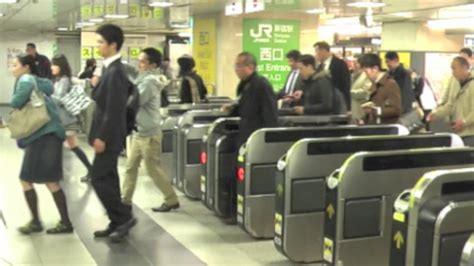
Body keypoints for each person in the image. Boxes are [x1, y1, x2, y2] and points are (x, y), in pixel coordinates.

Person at [11, 54, 73, 234]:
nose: (13, 68)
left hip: (42, 136)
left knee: (30, 179)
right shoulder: (40, 81)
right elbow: (50, 90)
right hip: (50, 134)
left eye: (15, 65)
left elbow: (16, 102)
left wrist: (21, 89)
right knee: (49, 180)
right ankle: (62, 222)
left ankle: (40, 222)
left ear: (26, 67)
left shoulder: (25, 80)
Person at [88, 24, 136, 243]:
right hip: (108, 133)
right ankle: (117, 221)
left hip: (109, 136)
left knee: (97, 177)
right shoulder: (108, 69)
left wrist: (103, 137)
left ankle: (124, 217)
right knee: (109, 177)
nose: (97, 46)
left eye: (100, 42)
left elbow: (114, 109)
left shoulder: (116, 72)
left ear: (113, 45)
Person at [121, 48, 180, 212]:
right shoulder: (143, 80)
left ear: (152, 65)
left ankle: (171, 199)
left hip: (149, 133)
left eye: (142, 61)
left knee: (152, 168)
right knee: (130, 167)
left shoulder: (149, 82)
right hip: (140, 131)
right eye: (138, 61)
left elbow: (135, 102)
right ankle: (125, 200)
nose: (139, 64)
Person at [50, 54, 93, 182]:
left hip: (65, 121)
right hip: (64, 119)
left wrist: (47, 96)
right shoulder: (60, 79)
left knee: (66, 146)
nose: (52, 67)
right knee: (70, 146)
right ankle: (90, 170)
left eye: (54, 65)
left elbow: (59, 99)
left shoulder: (64, 80)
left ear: (60, 66)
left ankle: (90, 170)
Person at [226, 52, 278, 147]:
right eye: (236, 66)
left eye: (239, 66)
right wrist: (233, 108)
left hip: (256, 135)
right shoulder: (244, 84)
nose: (236, 70)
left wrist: (269, 138)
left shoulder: (261, 84)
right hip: (245, 132)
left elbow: (270, 113)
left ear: (250, 67)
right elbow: (243, 105)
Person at [429, 57, 474, 139]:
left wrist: (464, 122)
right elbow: (450, 105)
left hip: (470, 134)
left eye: (454, 68)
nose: (452, 72)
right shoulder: (454, 82)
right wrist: (436, 114)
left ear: (464, 68)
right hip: (457, 133)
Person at [360, 53, 402, 124]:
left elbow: (396, 109)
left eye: (366, 71)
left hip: (386, 128)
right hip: (374, 126)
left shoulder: (390, 84)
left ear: (375, 69)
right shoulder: (374, 84)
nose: (365, 75)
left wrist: (375, 111)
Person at [313, 41, 351, 108]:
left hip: (337, 102)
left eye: (316, 51)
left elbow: (346, 85)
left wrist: (347, 105)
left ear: (323, 51)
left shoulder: (339, 64)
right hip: (322, 103)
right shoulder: (318, 66)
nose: (315, 54)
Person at [350, 55, 373, 122]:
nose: (353, 64)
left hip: (361, 114)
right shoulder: (351, 76)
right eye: (352, 62)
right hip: (353, 113)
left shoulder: (366, 75)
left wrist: (350, 92)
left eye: (356, 63)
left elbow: (366, 93)